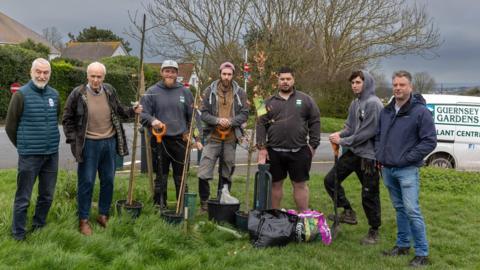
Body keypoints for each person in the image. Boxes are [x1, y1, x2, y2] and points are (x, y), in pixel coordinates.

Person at [62, 62, 142, 236]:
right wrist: (74, 142)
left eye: (99, 76)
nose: (96, 80)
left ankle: (103, 215)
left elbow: (119, 110)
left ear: (104, 77)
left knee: (108, 180)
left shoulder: (110, 91)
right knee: (87, 182)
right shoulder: (78, 93)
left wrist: (132, 111)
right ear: (87, 76)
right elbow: (67, 119)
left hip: (109, 143)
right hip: (89, 144)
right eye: (93, 76)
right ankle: (83, 220)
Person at [376, 70, 436, 267]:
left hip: (407, 170)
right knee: (399, 209)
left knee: (412, 210)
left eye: (402, 85)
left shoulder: (420, 112)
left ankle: (422, 253)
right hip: (388, 169)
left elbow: (429, 142)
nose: (398, 88)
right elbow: (379, 136)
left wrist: (406, 159)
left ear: (410, 87)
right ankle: (402, 245)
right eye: (395, 85)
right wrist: (380, 155)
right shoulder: (386, 111)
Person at [323, 70, 383, 245]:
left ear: (367, 83)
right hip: (354, 153)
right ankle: (348, 211)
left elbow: (366, 133)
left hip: (368, 157)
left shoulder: (374, 104)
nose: (354, 85)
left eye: (358, 82)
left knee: (369, 195)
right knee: (330, 180)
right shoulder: (355, 103)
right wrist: (338, 134)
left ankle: (374, 230)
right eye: (353, 83)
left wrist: (342, 141)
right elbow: (350, 127)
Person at [5, 58, 60, 241]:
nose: (42, 76)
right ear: (31, 72)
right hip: (30, 156)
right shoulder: (20, 95)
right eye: (38, 72)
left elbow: (55, 119)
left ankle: (39, 226)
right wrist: (24, 145)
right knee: (24, 197)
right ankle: (18, 234)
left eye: (46, 72)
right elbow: (10, 127)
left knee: (47, 195)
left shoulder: (54, 95)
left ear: (50, 74)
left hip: (51, 155)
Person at [256, 66, 320, 212]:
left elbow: (315, 121)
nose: (285, 82)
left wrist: (313, 145)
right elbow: (260, 124)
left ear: (293, 80)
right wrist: (262, 148)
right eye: (282, 79)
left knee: (300, 185)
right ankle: (275, 216)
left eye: (288, 79)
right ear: (277, 80)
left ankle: (304, 217)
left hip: (299, 151)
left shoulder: (306, 100)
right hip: (274, 152)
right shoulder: (264, 102)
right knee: (275, 184)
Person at [140, 60, 194, 209]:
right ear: (162, 72)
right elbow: (142, 114)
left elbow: (194, 116)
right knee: (161, 177)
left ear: (177, 74)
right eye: (167, 71)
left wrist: (192, 134)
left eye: (173, 71)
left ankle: (182, 207)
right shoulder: (152, 91)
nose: (170, 74)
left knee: (180, 177)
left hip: (180, 141)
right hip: (160, 141)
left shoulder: (185, 92)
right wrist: (152, 120)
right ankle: (159, 206)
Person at [197, 62, 249, 211]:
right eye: (224, 74)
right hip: (212, 137)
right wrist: (218, 120)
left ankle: (223, 199)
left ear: (233, 75)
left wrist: (231, 122)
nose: (226, 77)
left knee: (227, 171)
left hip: (231, 138)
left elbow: (245, 114)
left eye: (229, 74)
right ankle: (205, 203)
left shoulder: (241, 93)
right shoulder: (208, 91)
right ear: (220, 74)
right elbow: (204, 113)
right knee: (203, 172)